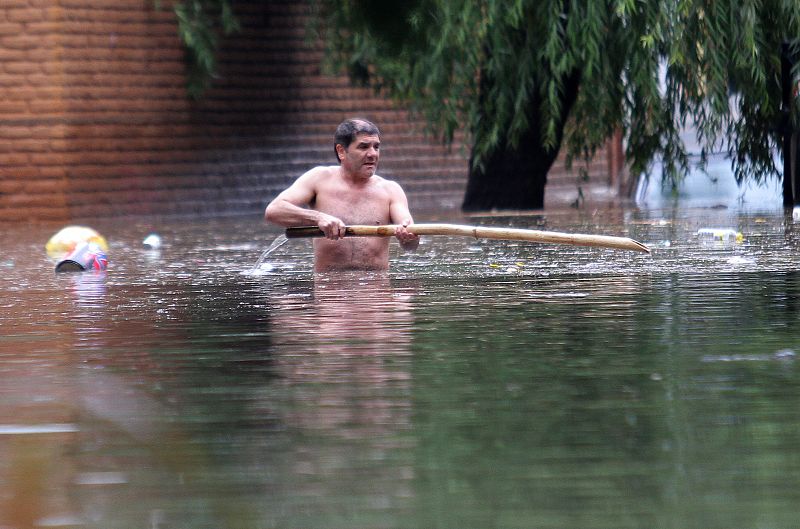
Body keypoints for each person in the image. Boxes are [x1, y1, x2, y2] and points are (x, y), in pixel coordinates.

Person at [265, 118, 420, 272]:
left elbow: (411, 245)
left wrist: (408, 236)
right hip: (330, 291)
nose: (372, 154)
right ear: (341, 151)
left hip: (376, 291)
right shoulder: (318, 179)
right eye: (364, 147)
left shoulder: (391, 190)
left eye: (376, 147)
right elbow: (274, 211)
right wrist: (319, 218)